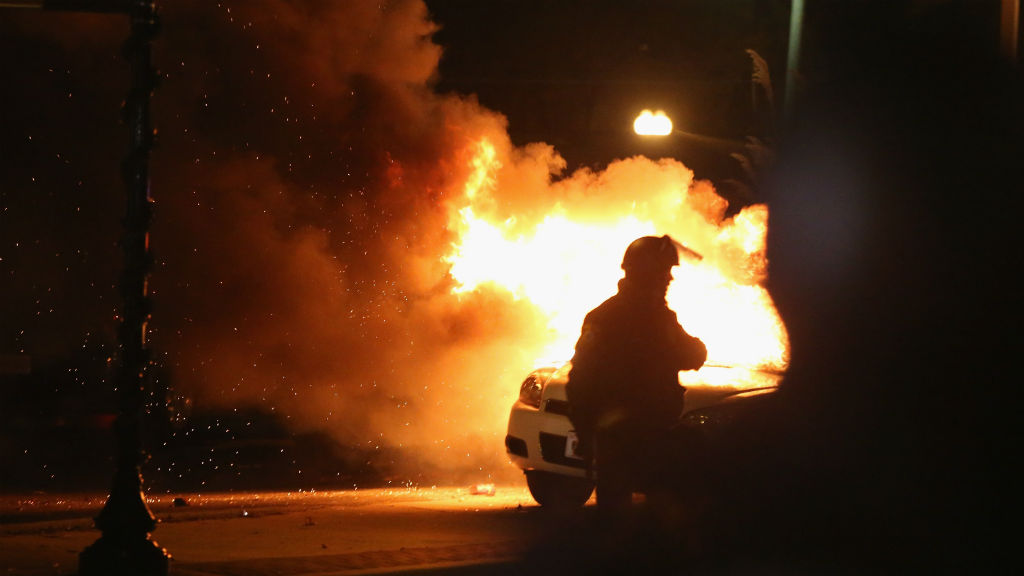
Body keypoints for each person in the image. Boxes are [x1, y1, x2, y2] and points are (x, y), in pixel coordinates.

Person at [566, 234, 706, 515]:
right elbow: (695, 355)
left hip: (615, 443)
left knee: (615, 522)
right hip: (648, 439)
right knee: (661, 519)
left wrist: (585, 435)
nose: (669, 279)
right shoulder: (659, 320)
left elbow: (579, 383)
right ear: (648, 274)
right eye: (665, 272)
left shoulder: (601, 316)